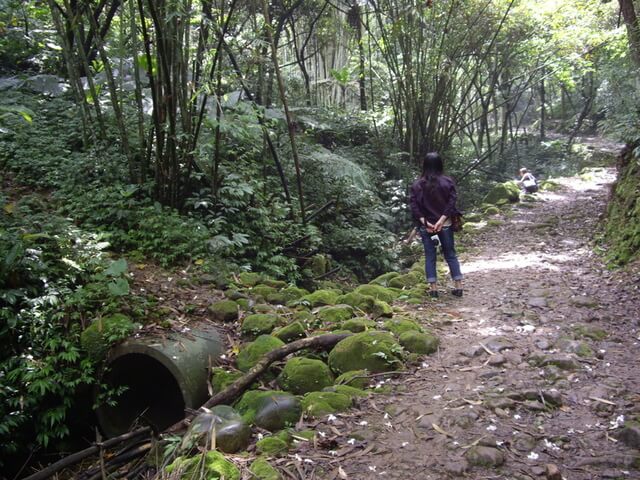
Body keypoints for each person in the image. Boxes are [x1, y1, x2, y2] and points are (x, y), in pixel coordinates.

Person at [409, 152, 464, 298]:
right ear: (440, 164)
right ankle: (458, 286)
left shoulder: (417, 185)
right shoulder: (447, 182)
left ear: (425, 165)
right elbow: (452, 203)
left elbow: (414, 206)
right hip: (445, 224)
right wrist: (441, 220)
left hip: (426, 226)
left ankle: (433, 289)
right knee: (450, 254)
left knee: (430, 256)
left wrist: (425, 222)